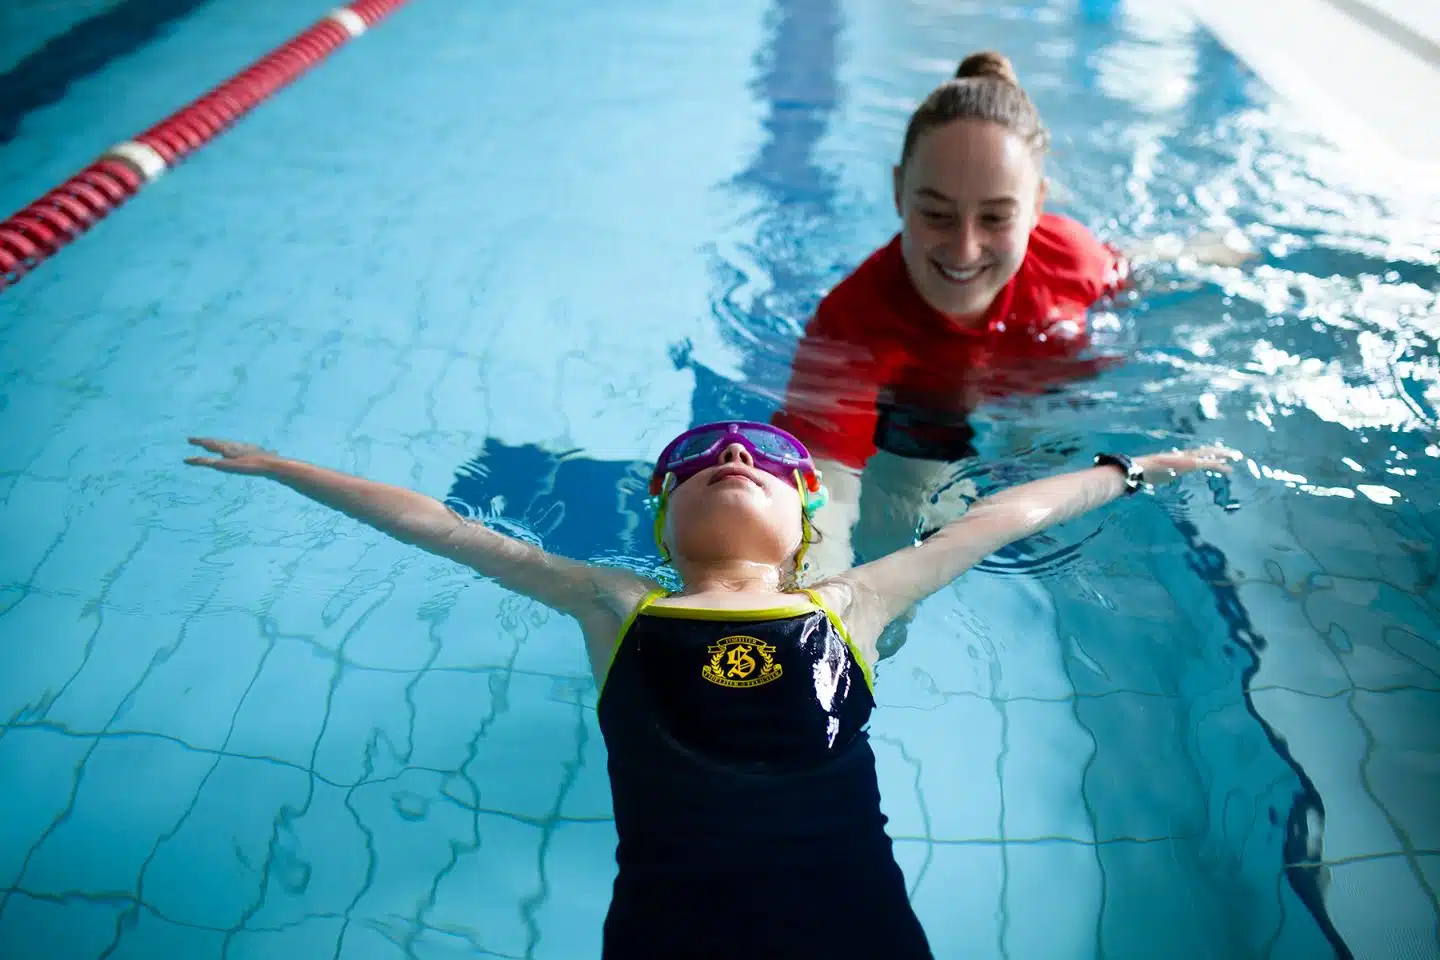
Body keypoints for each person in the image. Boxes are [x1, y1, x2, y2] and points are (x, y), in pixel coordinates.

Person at [184, 422, 1238, 959]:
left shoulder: (854, 605)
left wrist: (1129, 469)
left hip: (850, 927)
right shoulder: (612, 605)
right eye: (699, 461)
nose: (732, 455)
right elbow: (447, 529)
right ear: (662, 518)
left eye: (765, 459)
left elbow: (1000, 520)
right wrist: (290, 471)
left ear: (803, 517)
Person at [771, 50, 1252, 612]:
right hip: (925, 413)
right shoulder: (851, 327)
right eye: (937, 215)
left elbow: (1131, 273)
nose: (964, 249)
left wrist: (1207, 254)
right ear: (899, 192)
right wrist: (808, 601)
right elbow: (822, 482)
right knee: (907, 507)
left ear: (1037, 206)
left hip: (1040, 387)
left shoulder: (1069, 259)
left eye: (996, 217)